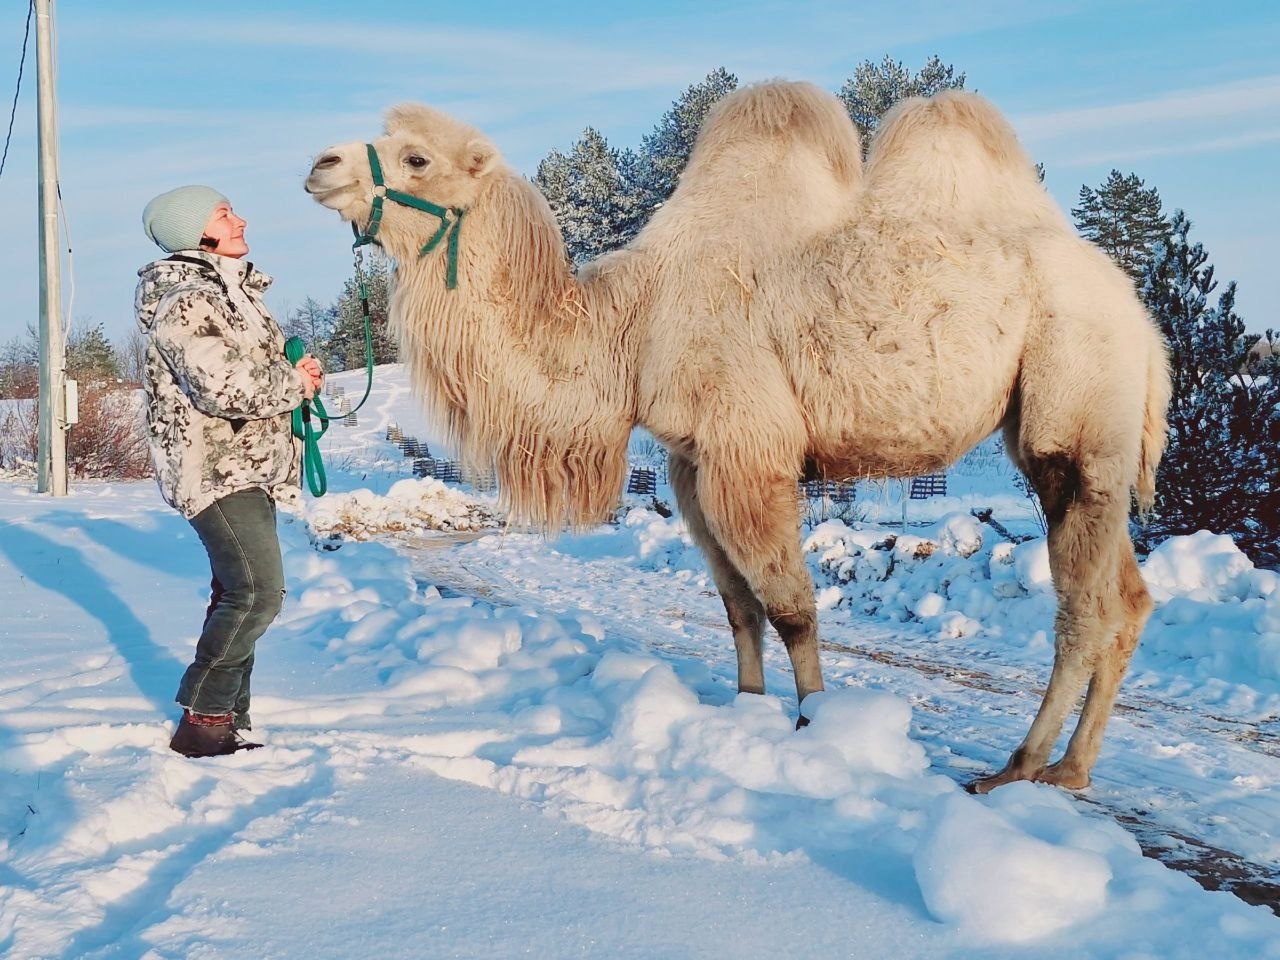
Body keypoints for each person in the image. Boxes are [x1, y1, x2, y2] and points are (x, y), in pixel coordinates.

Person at [134, 185, 324, 758]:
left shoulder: (233, 296)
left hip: (248, 467)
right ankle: (204, 718)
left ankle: (226, 717)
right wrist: (294, 385)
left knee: (237, 591)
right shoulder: (186, 302)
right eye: (224, 213)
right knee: (257, 592)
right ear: (196, 231)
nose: (240, 218)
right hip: (214, 470)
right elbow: (222, 386)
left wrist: (298, 373)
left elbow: (252, 373)